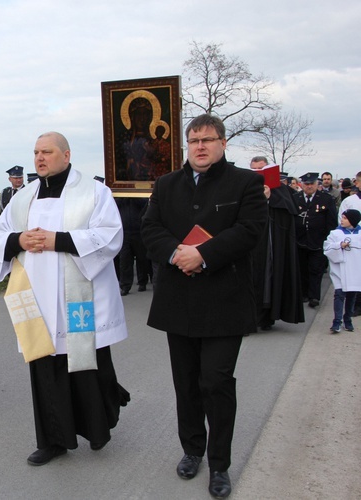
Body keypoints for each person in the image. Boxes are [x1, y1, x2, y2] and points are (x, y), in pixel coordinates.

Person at [141, 114, 267, 499]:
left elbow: (249, 231)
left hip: (224, 302)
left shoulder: (246, 182)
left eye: (208, 140)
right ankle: (192, 449)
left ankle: (219, 464)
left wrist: (204, 255)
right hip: (178, 301)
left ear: (223, 143)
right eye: (193, 140)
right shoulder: (166, 185)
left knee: (216, 382)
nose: (200, 146)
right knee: (187, 383)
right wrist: (179, 254)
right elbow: (150, 229)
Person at [0, 131, 130, 466]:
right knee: (46, 367)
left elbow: (110, 235)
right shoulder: (23, 197)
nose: (39, 158)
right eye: (36, 152)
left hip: (80, 296)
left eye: (47, 152)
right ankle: (53, 439)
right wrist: (19, 239)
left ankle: (97, 428)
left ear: (66, 155)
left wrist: (58, 240)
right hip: (37, 296)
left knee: (88, 365)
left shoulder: (94, 192)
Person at [248, 156, 304, 331]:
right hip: (250, 244)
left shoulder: (281, 190)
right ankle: (250, 318)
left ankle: (267, 317)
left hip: (271, 243)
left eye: (261, 168)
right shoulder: (244, 188)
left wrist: (270, 197)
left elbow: (289, 211)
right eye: (254, 169)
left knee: (269, 278)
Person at [294, 172, 337, 308]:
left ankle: (314, 296)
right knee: (302, 269)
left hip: (318, 242)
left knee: (315, 270)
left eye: (312, 184)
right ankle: (304, 294)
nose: (309, 187)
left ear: (317, 184)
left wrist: (328, 239)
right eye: (306, 184)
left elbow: (331, 221)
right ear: (302, 185)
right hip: (300, 241)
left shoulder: (325, 199)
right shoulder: (296, 198)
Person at [323, 209, 361, 333]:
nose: (342, 220)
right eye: (342, 217)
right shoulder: (335, 234)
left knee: (352, 295)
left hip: (355, 270)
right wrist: (339, 245)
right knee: (339, 295)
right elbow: (327, 248)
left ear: (353, 220)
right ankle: (336, 321)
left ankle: (348, 319)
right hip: (340, 270)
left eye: (345, 218)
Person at [116, 197, 150, 295]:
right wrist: (124, 196)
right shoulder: (120, 197)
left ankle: (142, 282)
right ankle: (125, 286)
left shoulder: (138, 195)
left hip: (138, 231)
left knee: (142, 258)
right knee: (125, 260)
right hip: (124, 232)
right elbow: (115, 204)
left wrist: (133, 196)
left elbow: (144, 203)